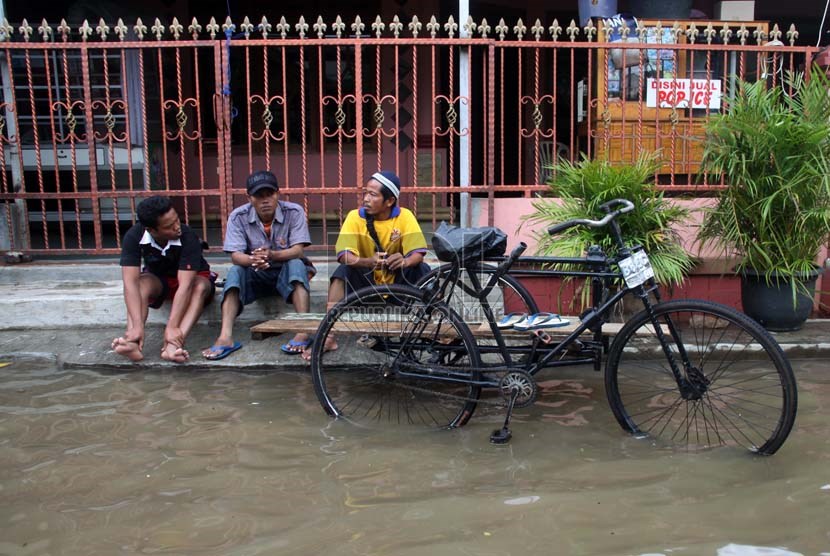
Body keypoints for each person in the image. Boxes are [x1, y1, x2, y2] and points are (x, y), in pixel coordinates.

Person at [302, 170, 430, 360]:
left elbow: (418, 252)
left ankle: (443, 332)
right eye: (366, 193)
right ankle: (328, 337)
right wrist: (367, 261)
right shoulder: (355, 217)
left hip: (397, 286)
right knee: (341, 272)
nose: (366, 199)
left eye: (373, 194)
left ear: (389, 201)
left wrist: (404, 261)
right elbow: (344, 254)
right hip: (367, 287)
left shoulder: (405, 216)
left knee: (424, 270)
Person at [203, 170, 314, 359]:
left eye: (269, 194)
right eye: (258, 196)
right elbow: (236, 256)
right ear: (249, 198)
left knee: (296, 264)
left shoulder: (294, 212)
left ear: (277, 194)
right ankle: (225, 337)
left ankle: (303, 330)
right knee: (235, 271)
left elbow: (298, 250)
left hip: (285, 272)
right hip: (255, 272)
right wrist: (254, 260)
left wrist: (271, 255)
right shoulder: (238, 216)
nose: (265, 201)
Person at [111, 195, 215, 363]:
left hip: (190, 282)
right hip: (160, 281)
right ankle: (133, 342)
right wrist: (138, 325)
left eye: (176, 220)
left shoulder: (188, 237)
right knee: (140, 285)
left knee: (199, 286)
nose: (177, 227)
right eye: (169, 226)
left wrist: (172, 326)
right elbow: (129, 282)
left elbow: (185, 285)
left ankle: (173, 347)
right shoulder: (134, 236)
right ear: (151, 230)